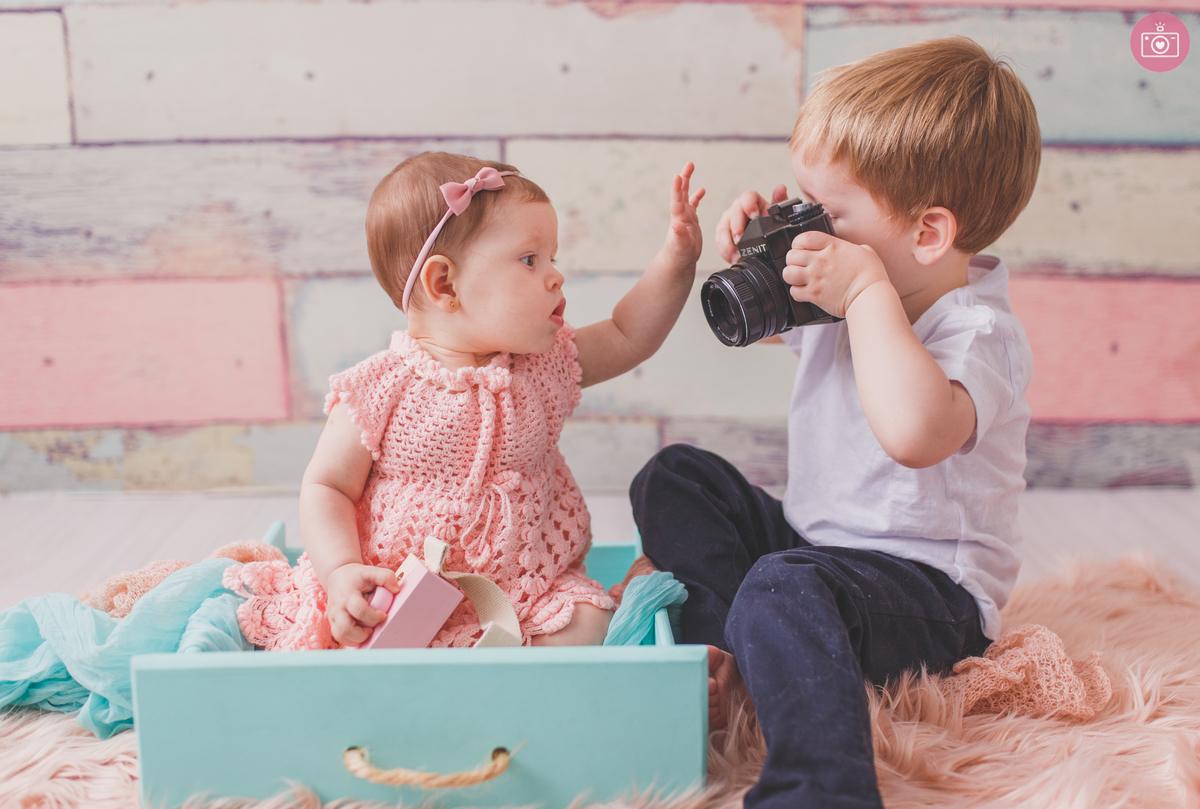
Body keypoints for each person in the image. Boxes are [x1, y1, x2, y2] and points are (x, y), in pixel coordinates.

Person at [630, 36, 1039, 809]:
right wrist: (755, 246)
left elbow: (915, 434)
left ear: (927, 235)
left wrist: (865, 298)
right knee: (674, 476)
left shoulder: (979, 335)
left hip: (925, 596)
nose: (808, 226)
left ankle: (821, 788)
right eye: (803, 204)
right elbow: (775, 318)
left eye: (829, 215)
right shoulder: (863, 274)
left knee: (784, 586)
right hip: (818, 553)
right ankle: (727, 650)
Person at [227, 152, 704, 650]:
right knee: (339, 639)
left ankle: (496, 674)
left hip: (524, 591)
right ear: (444, 284)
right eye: (529, 260)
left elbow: (630, 334)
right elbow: (327, 487)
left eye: (552, 259)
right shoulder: (380, 389)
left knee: (588, 623)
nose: (555, 277)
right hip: (397, 596)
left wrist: (676, 261)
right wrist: (342, 571)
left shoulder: (543, 364)